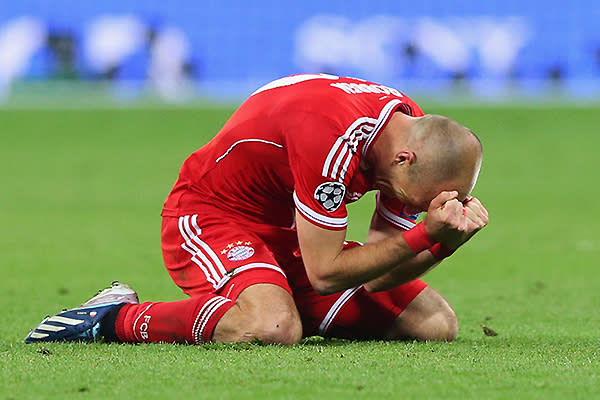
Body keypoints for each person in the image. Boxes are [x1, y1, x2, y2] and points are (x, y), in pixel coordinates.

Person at [25, 74, 488, 345]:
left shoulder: (408, 136)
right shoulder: (332, 137)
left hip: (295, 235)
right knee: (273, 326)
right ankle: (111, 319)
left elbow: (378, 269)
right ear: (404, 160)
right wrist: (423, 236)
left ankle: (270, 298)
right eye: (424, 202)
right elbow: (329, 273)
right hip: (211, 217)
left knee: (435, 324)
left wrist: (442, 242)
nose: (421, 208)